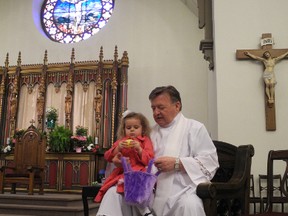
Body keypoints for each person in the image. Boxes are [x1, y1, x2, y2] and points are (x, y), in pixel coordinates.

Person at [149, 85, 219, 216]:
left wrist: (178, 163)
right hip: (152, 193)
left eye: (161, 107)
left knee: (190, 205)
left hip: (184, 192)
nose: (156, 112)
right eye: (153, 108)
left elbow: (210, 162)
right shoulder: (150, 133)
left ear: (177, 105)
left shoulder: (195, 128)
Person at [95, 111, 155, 216]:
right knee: (114, 191)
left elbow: (149, 159)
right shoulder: (121, 142)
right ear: (124, 129)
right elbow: (108, 156)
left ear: (143, 129)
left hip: (138, 173)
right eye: (128, 128)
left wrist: (139, 149)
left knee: (135, 188)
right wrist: (117, 149)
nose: (132, 130)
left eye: (136, 127)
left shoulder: (145, 141)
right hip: (123, 174)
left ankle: (144, 211)